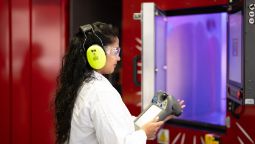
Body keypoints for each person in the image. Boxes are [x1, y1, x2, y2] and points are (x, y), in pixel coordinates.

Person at [54, 22, 184, 144]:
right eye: (115, 51)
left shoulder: (84, 83)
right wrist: (144, 134)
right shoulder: (99, 92)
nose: (119, 58)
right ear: (97, 55)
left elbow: (118, 123)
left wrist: (160, 116)